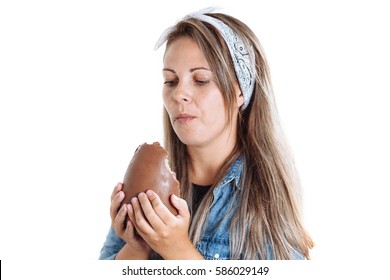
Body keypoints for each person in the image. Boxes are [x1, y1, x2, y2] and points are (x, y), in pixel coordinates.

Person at [99, 7, 314, 260]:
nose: (179, 93)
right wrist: (138, 246)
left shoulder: (266, 195)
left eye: (200, 80)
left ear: (240, 92)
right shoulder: (150, 182)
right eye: (170, 81)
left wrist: (177, 250)